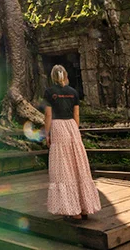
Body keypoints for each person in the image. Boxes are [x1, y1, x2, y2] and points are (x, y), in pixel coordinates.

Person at [44, 65, 101, 220]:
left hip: (58, 126)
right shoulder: (73, 92)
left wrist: (46, 134)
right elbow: (76, 114)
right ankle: (84, 207)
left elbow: (48, 115)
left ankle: (73, 210)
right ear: (66, 75)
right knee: (78, 166)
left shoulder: (50, 92)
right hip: (72, 126)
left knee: (64, 168)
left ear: (53, 76)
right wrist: (75, 131)